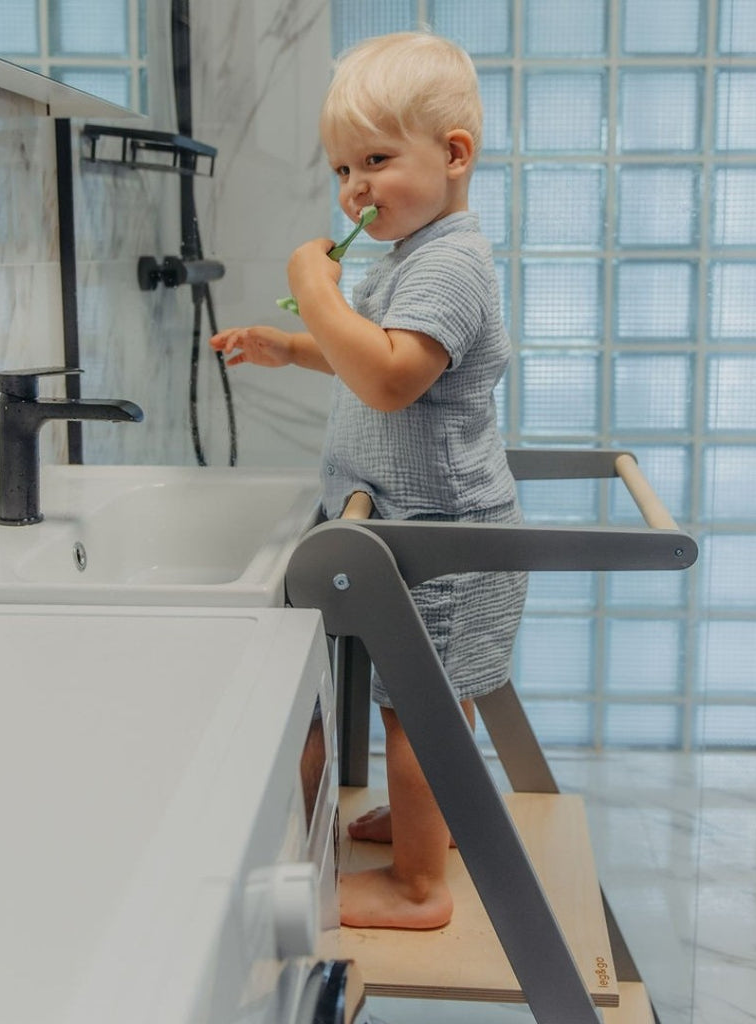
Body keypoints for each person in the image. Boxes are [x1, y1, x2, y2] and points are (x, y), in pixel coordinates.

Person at [211, 30, 527, 930]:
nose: (353, 189)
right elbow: (373, 357)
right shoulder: (412, 260)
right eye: (342, 169)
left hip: (446, 547)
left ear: (454, 155)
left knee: (418, 718)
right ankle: (435, 823)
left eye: (376, 161)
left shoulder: (455, 263)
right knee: (420, 712)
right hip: (419, 539)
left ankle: (419, 889)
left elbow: (390, 377)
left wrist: (315, 291)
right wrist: (294, 346)